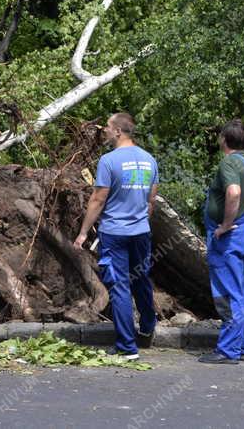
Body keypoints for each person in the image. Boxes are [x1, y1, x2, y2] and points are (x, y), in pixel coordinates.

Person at [73, 112, 158, 360]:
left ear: (119, 131)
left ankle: (126, 347)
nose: (105, 132)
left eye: (108, 128)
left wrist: (83, 232)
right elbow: (151, 200)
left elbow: (98, 198)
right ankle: (148, 328)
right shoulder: (149, 160)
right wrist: (140, 222)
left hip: (114, 233)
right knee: (141, 278)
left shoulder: (108, 161)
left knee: (120, 286)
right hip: (141, 231)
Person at [199, 118, 244, 364]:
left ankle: (227, 350)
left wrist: (227, 224)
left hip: (228, 239)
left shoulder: (229, 162)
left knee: (227, 294)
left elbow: (233, 192)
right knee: (241, 293)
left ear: (224, 139)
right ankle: (240, 347)